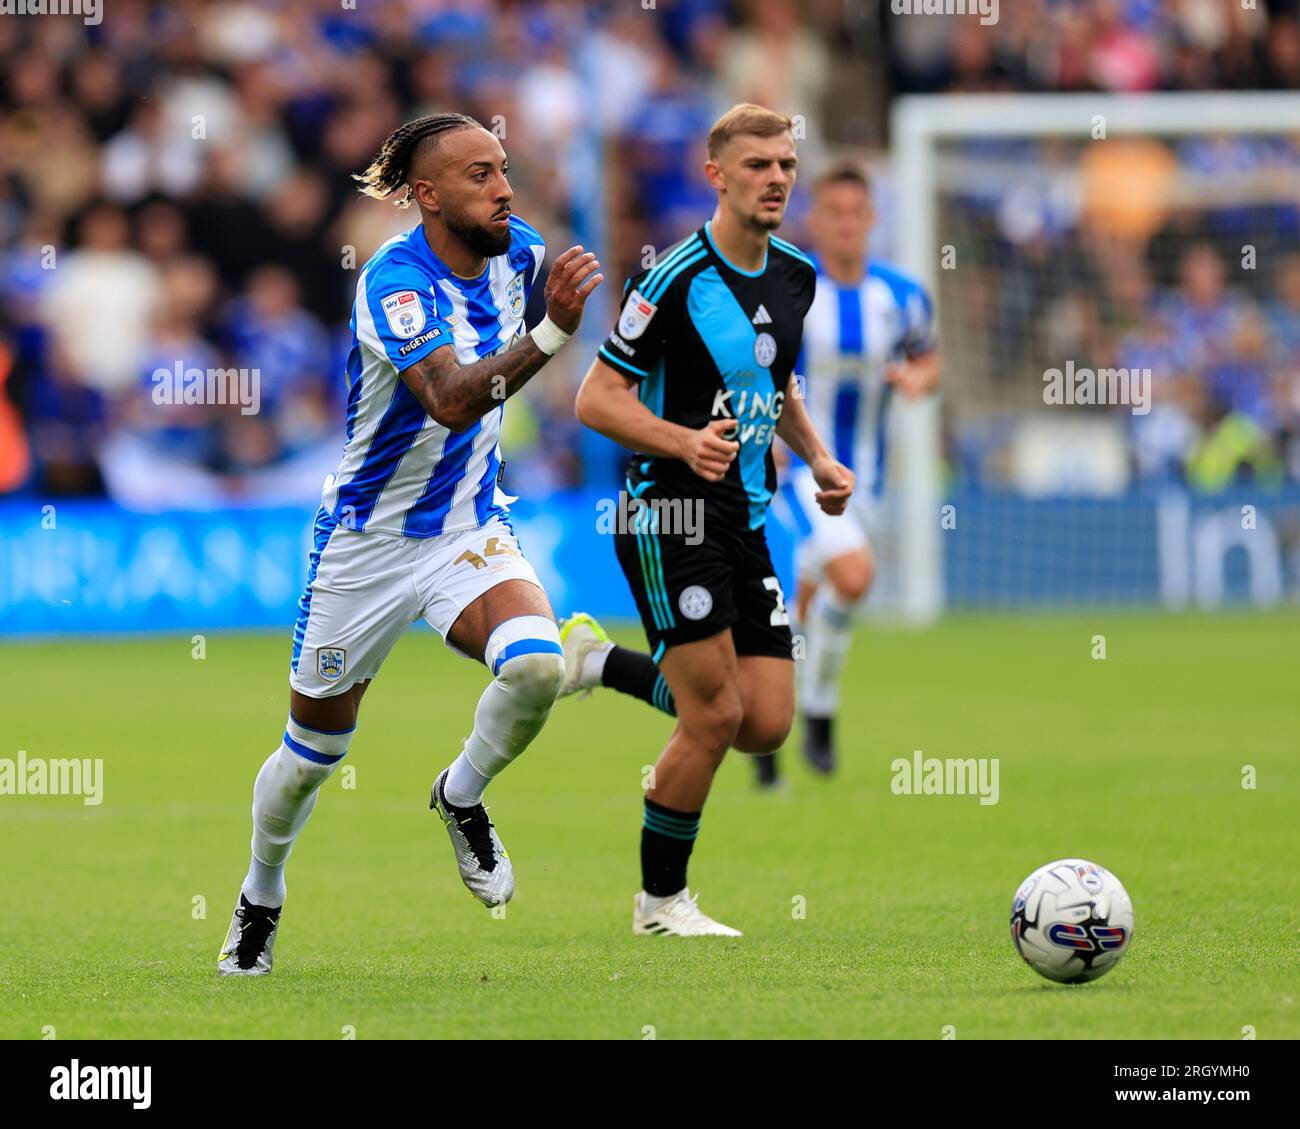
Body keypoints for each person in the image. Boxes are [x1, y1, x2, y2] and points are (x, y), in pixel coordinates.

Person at [218, 113, 603, 975]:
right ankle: (261, 892)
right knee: (311, 757)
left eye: (503, 168)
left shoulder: (522, 251)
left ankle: (460, 793)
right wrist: (550, 333)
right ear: (426, 196)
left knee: (538, 666)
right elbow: (449, 399)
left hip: (465, 526)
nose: (503, 187)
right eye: (478, 175)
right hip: (364, 543)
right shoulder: (394, 282)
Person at [568, 104, 854, 937]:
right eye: (758, 164)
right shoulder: (672, 279)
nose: (776, 178)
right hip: (669, 509)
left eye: (786, 165)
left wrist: (820, 458)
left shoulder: (797, 275)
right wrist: (683, 441)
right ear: (716, 176)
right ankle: (660, 904)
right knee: (714, 717)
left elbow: (779, 387)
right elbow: (596, 398)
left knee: (764, 724)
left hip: (747, 515)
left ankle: (597, 664)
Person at [768, 160, 938, 781]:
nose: (844, 225)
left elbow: (928, 359)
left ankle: (771, 730)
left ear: (872, 220)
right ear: (815, 220)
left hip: (869, 477)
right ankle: (818, 714)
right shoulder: (791, 288)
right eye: (832, 213)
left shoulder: (902, 296)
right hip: (801, 475)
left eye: (855, 213)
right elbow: (759, 367)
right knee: (856, 575)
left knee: (804, 607)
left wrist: (918, 378)